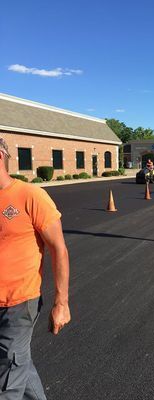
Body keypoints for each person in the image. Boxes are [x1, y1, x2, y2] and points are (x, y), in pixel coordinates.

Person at [0, 137, 71, 399]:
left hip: (19, 304)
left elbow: (59, 249)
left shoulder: (30, 196)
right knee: (19, 365)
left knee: (7, 383)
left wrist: (61, 303)